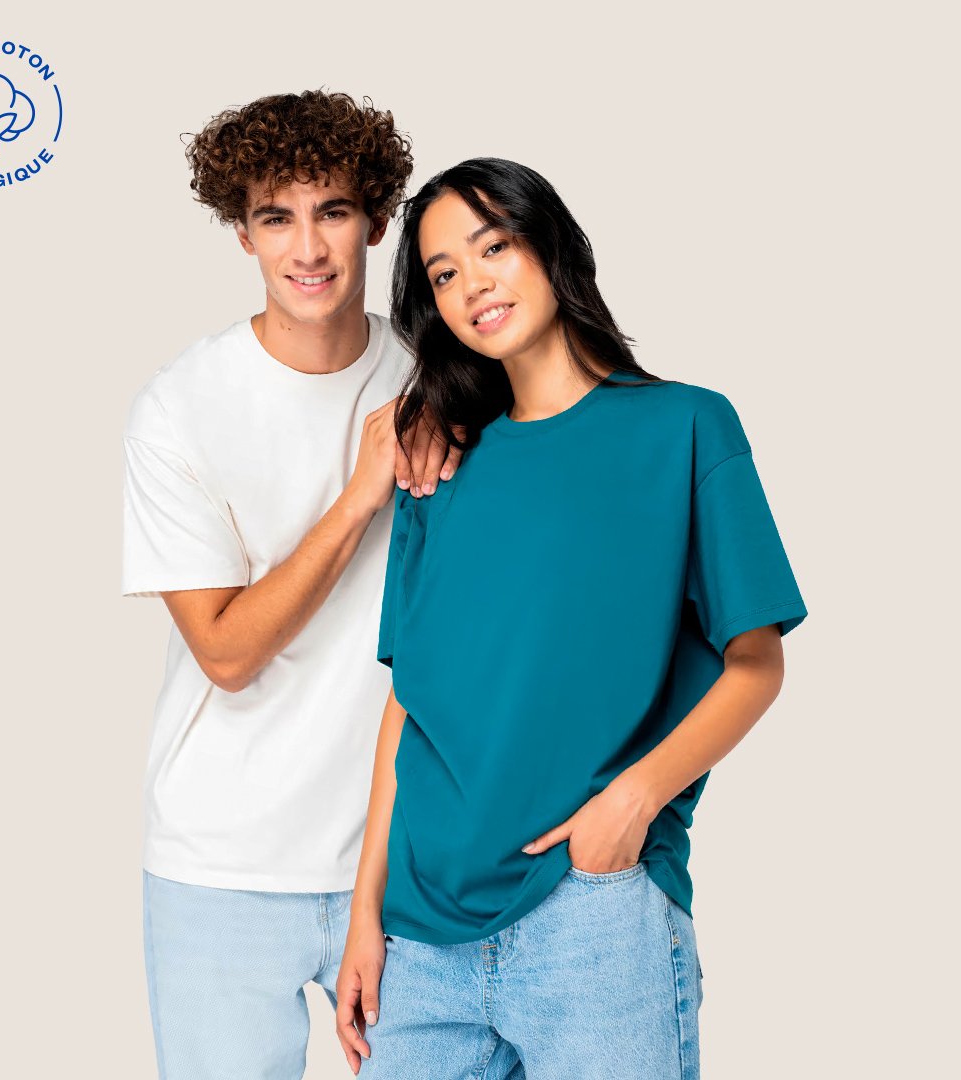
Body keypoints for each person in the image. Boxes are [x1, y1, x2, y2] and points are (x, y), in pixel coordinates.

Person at [335, 158, 809, 1079]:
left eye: (492, 246)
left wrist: (630, 804)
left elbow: (756, 663)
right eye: (441, 274)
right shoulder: (441, 466)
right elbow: (409, 707)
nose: (471, 284)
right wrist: (366, 915)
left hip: (592, 911)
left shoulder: (685, 428)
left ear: (550, 244)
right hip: (421, 941)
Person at [121, 90, 462, 1080]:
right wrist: (361, 497)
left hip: (405, 865)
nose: (308, 248)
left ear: (380, 221)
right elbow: (225, 653)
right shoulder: (179, 409)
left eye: (334, 212)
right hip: (221, 866)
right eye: (277, 216)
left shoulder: (439, 383)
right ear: (242, 232)